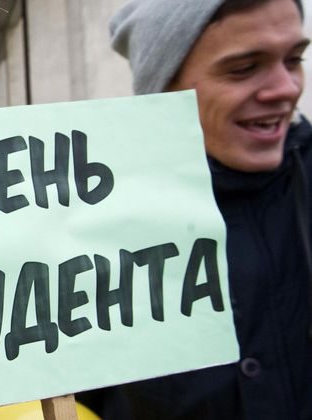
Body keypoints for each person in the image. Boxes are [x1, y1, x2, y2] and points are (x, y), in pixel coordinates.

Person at [78, 0, 312, 419]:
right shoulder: (90, 231)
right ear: (166, 89)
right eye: (243, 68)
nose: (286, 88)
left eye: (293, 59)